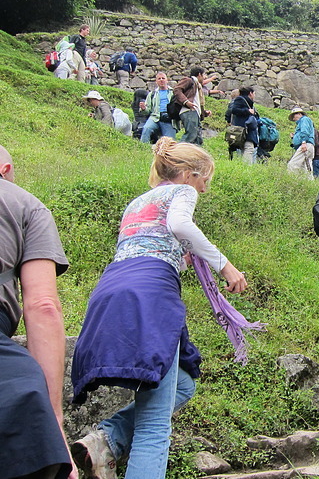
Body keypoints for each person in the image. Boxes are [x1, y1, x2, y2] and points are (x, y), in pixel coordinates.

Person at [70, 137, 247, 479]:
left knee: (183, 385)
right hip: (149, 294)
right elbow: (181, 226)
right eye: (203, 180)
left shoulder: (137, 202)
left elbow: (148, 244)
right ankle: (112, 442)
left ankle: (107, 440)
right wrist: (225, 265)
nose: (204, 189)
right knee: (154, 426)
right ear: (185, 175)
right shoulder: (182, 192)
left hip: (111, 291)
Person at [0, 145, 77, 479]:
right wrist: (53, 421)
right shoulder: (23, 203)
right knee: (24, 401)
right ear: (5, 169)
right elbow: (42, 305)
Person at [173, 67, 211, 145]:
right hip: (188, 112)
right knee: (190, 135)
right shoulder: (189, 80)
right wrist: (186, 102)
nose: (205, 77)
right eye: (204, 74)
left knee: (198, 138)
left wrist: (204, 112)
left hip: (194, 113)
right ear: (199, 74)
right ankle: (177, 152)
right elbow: (177, 89)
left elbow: (196, 102)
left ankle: (196, 156)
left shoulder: (197, 85)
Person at [139, 72, 177, 144]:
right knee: (146, 129)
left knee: (170, 142)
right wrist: (143, 108)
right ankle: (143, 148)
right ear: (156, 82)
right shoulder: (152, 94)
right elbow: (148, 110)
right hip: (155, 117)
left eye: (163, 78)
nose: (161, 80)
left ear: (167, 80)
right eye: (159, 79)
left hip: (169, 119)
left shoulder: (173, 93)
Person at [228, 86, 260, 164]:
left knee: (246, 148)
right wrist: (248, 111)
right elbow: (234, 110)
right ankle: (246, 167)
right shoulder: (240, 99)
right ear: (250, 93)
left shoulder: (247, 101)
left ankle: (244, 166)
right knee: (249, 148)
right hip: (244, 129)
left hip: (246, 128)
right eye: (254, 94)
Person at [287, 106, 315, 178]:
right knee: (306, 168)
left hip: (305, 145)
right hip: (309, 145)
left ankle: (292, 181)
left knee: (292, 165)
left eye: (294, 116)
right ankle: (309, 184)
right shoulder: (305, 121)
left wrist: (303, 142)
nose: (293, 119)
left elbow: (305, 131)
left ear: (299, 114)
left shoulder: (304, 120)